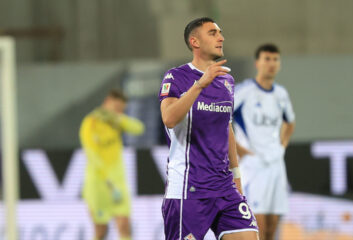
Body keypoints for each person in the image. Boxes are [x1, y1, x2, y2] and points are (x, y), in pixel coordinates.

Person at [158, 17, 259, 240]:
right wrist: (200, 85)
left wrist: (237, 178)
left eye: (220, 32)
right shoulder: (176, 77)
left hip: (225, 188)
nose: (221, 37)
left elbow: (227, 129)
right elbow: (169, 119)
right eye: (212, 33)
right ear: (195, 41)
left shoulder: (227, 82)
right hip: (188, 191)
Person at [233, 44, 296, 240]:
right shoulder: (244, 91)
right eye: (267, 59)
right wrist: (238, 149)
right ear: (257, 63)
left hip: (276, 165)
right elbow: (221, 119)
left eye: (275, 59)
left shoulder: (281, 94)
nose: (271, 64)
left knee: (271, 228)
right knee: (256, 226)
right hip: (254, 166)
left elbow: (290, 122)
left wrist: (282, 145)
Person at [80, 89, 145, 240]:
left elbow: (139, 128)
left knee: (124, 226)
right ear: (107, 102)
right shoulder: (91, 122)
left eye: (121, 110)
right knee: (101, 230)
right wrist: (107, 180)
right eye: (117, 109)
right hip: (99, 185)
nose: (119, 112)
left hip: (118, 185)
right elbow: (91, 154)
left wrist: (118, 118)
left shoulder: (116, 122)